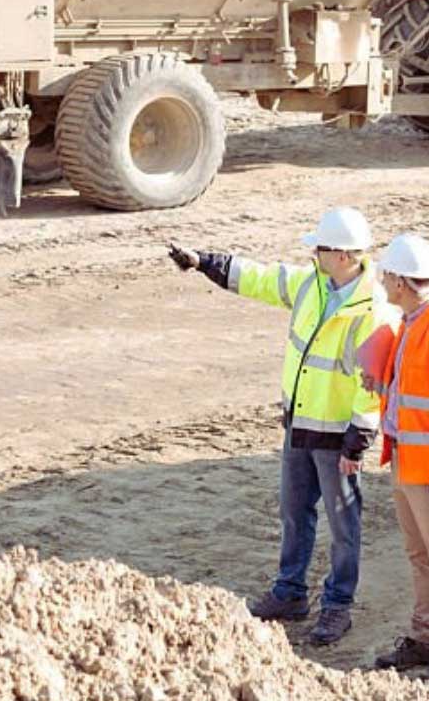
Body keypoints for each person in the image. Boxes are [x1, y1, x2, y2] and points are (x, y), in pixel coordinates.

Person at [169, 206, 396, 646]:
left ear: (345, 255)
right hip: (299, 426)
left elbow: (372, 382)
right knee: (295, 514)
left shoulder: (374, 308)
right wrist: (206, 263)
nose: (313, 253)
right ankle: (290, 593)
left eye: (321, 248)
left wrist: (358, 438)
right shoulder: (313, 282)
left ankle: (337, 606)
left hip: (337, 436)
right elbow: (262, 278)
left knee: (343, 524)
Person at [365, 234, 429, 671]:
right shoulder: (407, 325)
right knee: (417, 554)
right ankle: (424, 637)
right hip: (405, 459)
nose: (382, 282)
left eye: (387, 275)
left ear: (403, 282)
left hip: (425, 468)